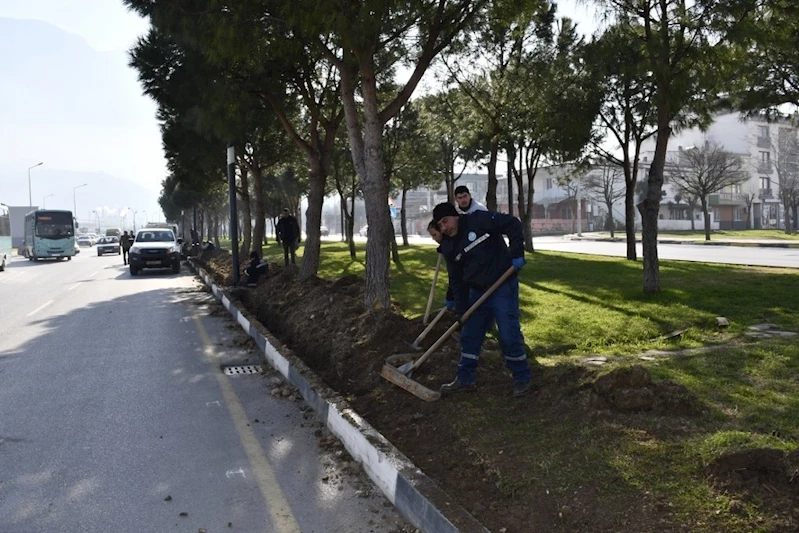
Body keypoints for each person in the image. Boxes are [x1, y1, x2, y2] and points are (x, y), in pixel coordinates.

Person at [432, 202, 531, 397]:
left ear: (455, 216)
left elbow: (513, 223)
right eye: (440, 225)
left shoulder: (478, 220)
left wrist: (517, 253)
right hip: (478, 293)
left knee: (508, 335)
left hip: (502, 284)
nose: (444, 228)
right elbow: (457, 281)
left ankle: (522, 378)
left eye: (446, 221)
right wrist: (461, 312)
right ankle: (465, 379)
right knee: (470, 336)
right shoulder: (450, 246)